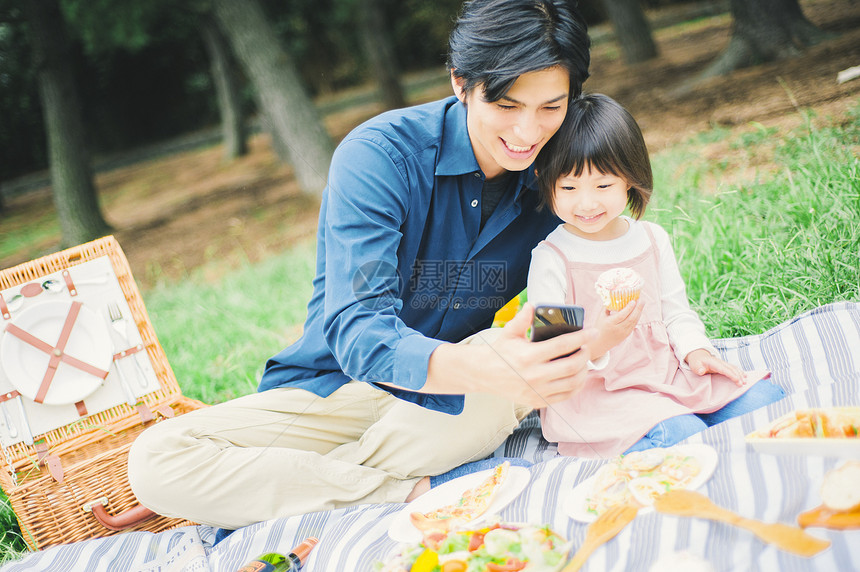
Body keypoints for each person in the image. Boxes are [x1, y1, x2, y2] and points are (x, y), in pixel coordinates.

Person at [128, 0, 594, 530]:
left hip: (451, 402)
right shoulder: (379, 155)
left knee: (503, 395)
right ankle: (400, 489)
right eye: (507, 106)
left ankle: (287, 484)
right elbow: (359, 329)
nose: (529, 132)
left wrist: (550, 354)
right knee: (156, 460)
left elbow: (573, 291)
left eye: (550, 108)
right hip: (334, 391)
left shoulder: (566, 172)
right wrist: (483, 369)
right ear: (460, 83)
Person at [527, 93, 786, 458]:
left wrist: (697, 351)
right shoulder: (553, 259)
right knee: (682, 434)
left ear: (629, 179)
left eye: (603, 186)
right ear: (545, 180)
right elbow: (554, 352)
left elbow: (675, 312)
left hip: (664, 374)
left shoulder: (650, 239)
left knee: (765, 399)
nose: (586, 203)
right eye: (568, 188)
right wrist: (601, 339)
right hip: (598, 393)